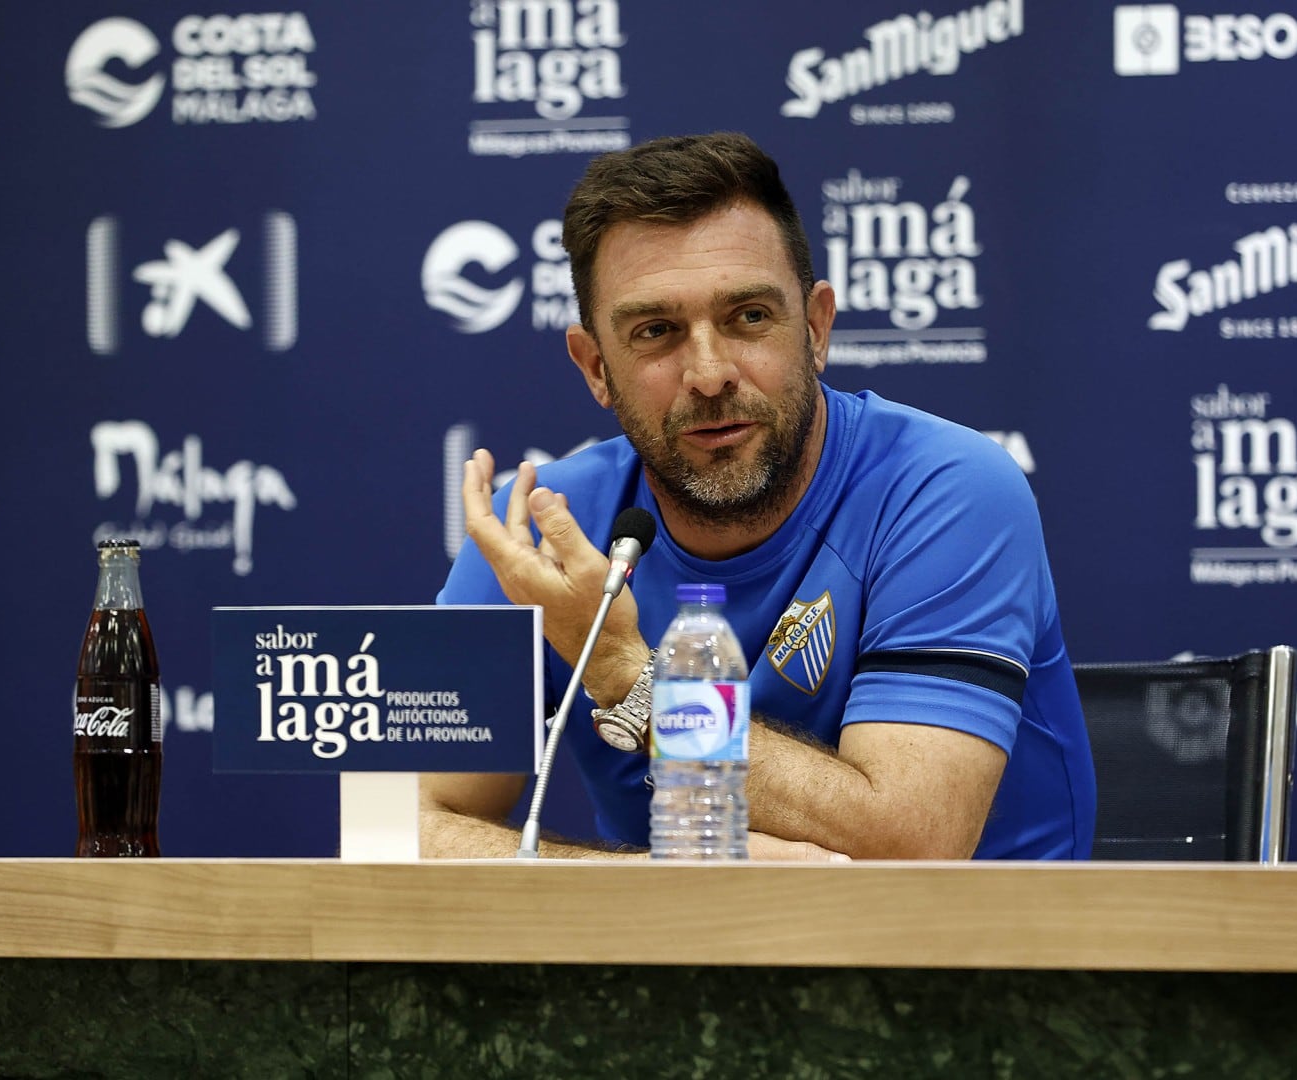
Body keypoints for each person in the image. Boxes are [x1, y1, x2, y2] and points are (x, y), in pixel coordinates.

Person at [428, 132, 1094, 860]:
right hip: (683, 963)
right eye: (657, 332)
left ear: (814, 329)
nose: (710, 373)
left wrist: (630, 676)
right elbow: (400, 823)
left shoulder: (946, 489)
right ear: (595, 367)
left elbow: (911, 846)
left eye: (748, 317)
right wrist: (653, 892)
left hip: (971, 961)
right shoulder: (544, 529)